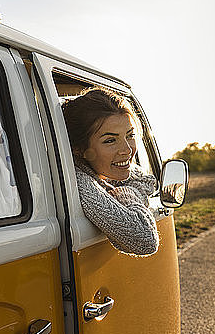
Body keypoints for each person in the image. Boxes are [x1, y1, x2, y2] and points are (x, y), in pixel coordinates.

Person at [62, 87, 159, 255]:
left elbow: (143, 180)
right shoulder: (78, 181)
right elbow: (145, 241)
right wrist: (128, 196)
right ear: (78, 149)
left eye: (130, 135)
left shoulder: (115, 173)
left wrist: (130, 191)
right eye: (110, 140)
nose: (128, 150)